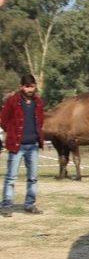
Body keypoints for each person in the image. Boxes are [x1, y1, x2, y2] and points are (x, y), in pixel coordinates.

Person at [0, 74, 45, 217]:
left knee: (33, 177)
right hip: (16, 146)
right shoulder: (12, 101)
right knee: (11, 177)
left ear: (35, 86)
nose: (29, 89)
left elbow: (41, 120)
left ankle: (29, 204)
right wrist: (12, 133)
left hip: (33, 146)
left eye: (32, 86)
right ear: (21, 87)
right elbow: (3, 120)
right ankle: (6, 205)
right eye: (27, 86)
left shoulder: (38, 102)